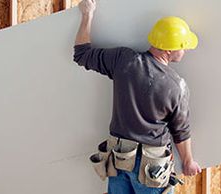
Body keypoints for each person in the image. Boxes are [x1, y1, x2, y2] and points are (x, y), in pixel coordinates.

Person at [73, 0, 201, 193]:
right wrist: (188, 161)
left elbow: (81, 54)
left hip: (120, 158)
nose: (185, 50)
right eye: (182, 46)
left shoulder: (124, 60)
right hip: (151, 168)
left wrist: (87, 14)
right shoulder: (177, 86)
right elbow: (180, 131)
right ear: (168, 50)